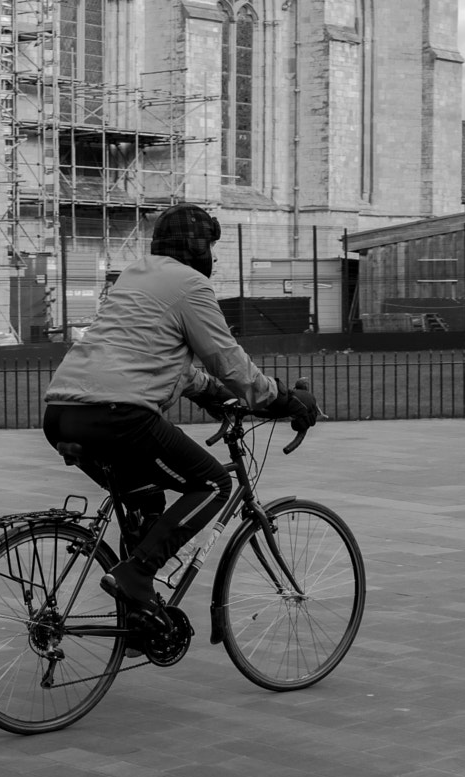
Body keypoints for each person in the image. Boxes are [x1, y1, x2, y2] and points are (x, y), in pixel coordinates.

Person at [42, 205, 318, 615]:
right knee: (211, 486)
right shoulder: (191, 285)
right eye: (210, 245)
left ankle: (137, 620)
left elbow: (151, 358)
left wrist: (208, 394)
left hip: (62, 413)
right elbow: (228, 360)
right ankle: (136, 575)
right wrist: (282, 399)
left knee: (145, 500)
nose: (213, 256)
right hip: (118, 416)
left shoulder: (136, 275)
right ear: (197, 247)